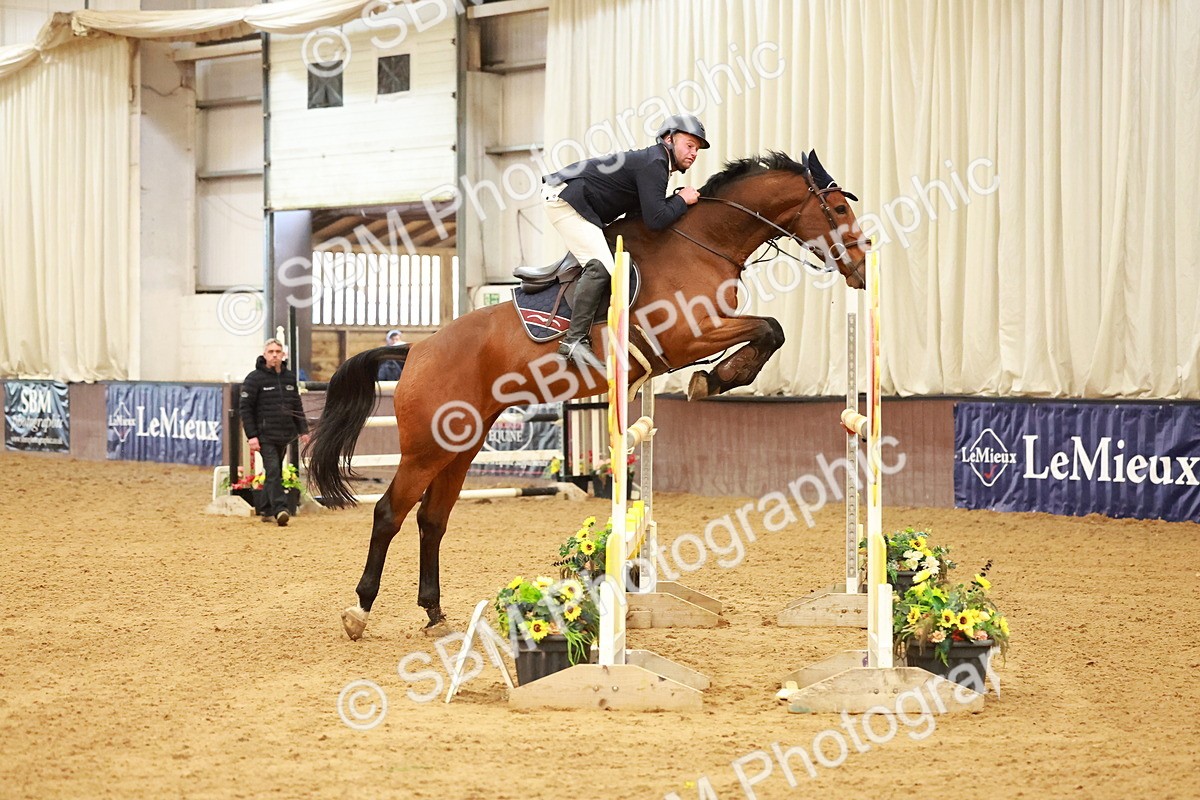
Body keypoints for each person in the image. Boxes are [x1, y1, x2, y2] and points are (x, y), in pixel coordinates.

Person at [542, 113, 710, 370]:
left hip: (578, 202)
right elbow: (655, 220)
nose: (694, 153)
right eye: (689, 145)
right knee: (601, 266)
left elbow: (642, 216)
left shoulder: (656, 163)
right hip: (564, 199)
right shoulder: (655, 162)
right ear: (668, 139)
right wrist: (681, 200)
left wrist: (675, 201)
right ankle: (574, 341)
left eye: (697, 149)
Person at [239, 338, 309, 526]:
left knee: (273, 471)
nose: (275, 355)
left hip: (284, 433)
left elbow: (296, 405)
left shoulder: (289, 378)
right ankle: (281, 509)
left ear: (283, 354)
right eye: (271, 352)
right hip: (264, 434)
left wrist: (303, 430)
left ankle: (266, 509)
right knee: (273, 470)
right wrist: (252, 436)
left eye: (278, 351)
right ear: (264, 355)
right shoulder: (254, 379)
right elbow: (245, 408)